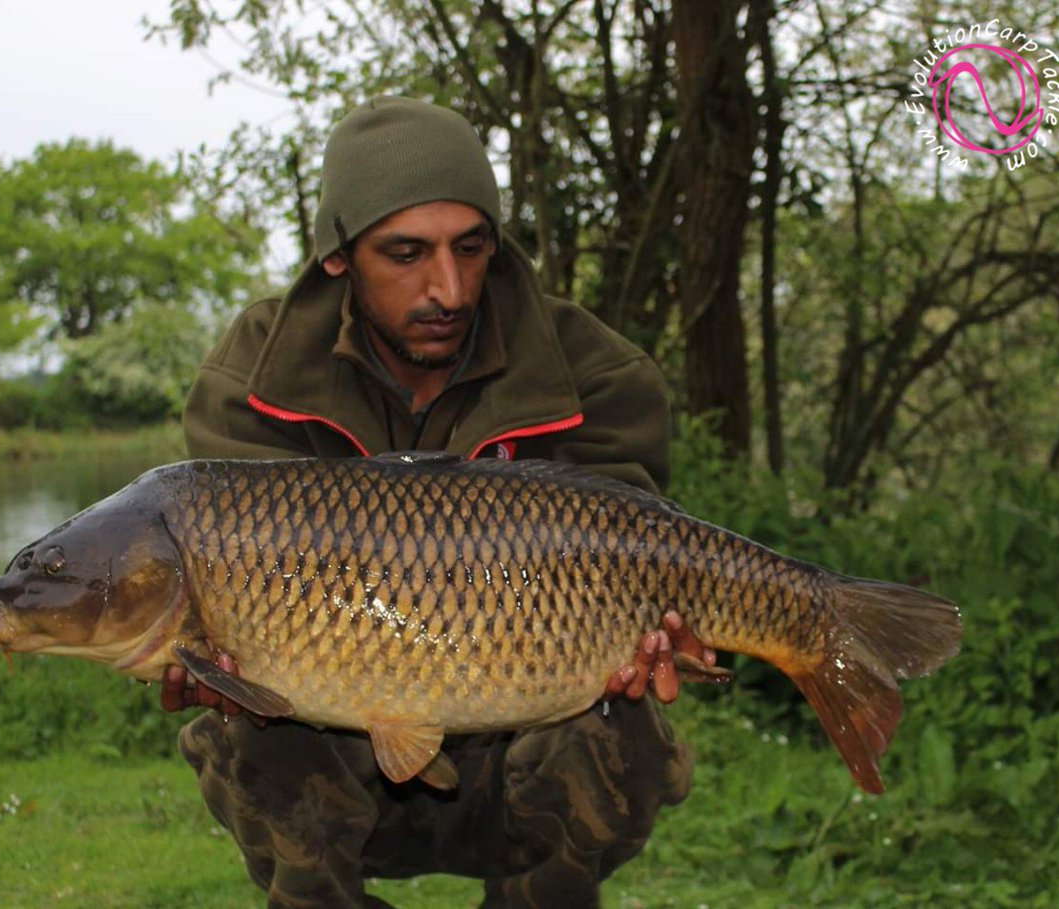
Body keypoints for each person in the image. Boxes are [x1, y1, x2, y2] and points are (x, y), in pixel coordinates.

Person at [162, 97, 719, 909]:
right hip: (334, 741)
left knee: (618, 728)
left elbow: (633, 546)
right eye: (406, 253)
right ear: (339, 258)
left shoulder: (596, 372)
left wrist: (650, 642)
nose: (448, 288)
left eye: (471, 248)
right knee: (242, 727)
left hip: (524, 729)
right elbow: (219, 566)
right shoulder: (254, 375)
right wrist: (212, 657)